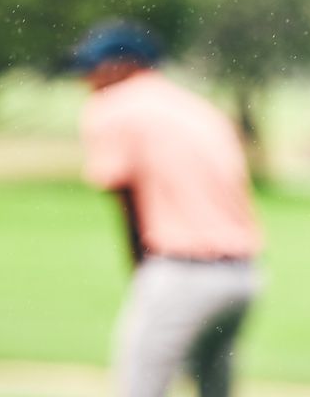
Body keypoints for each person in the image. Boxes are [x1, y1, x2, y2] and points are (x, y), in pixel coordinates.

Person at [69, 20, 263, 397]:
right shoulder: (197, 107)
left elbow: (125, 197)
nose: (87, 79)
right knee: (215, 389)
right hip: (243, 277)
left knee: (139, 388)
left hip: (182, 270)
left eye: (93, 67)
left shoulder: (113, 104)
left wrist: (143, 274)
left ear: (122, 66)